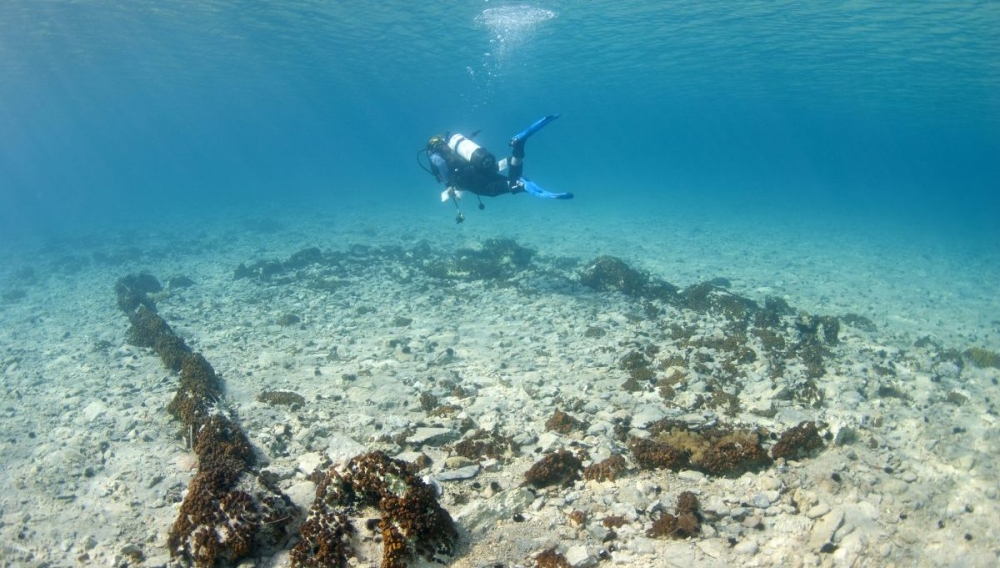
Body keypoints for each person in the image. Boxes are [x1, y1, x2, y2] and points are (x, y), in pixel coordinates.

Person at [421, 114, 572, 223]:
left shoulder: (433, 154)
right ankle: (517, 148)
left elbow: (441, 165)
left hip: (467, 178)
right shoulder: (450, 146)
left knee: (495, 189)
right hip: (477, 168)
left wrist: (448, 185)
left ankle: (520, 184)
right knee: (503, 177)